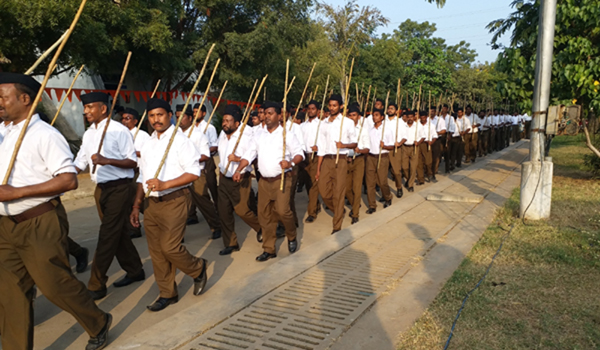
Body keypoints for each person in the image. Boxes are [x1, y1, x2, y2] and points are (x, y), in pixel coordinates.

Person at [0, 73, 111, 350]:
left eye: (3, 96)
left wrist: (18, 192)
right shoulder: (2, 133)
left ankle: (97, 321)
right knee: (10, 293)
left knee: (54, 285)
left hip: (39, 220)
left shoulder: (45, 135)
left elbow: (68, 180)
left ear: (25, 99)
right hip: (4, 225)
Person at [130, 98, 208, 312]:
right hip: (151, 203)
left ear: (169, 115)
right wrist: (137, 205)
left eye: (160, 114)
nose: (156, 119)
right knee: (156, 251)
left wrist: (165, 183)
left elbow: (193, 173)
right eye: (152, 116)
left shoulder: (181, 141)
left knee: (170, 247)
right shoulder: (147, 143)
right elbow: (141, 177)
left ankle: (198, 268)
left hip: (175, 200)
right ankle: (167, 293)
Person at [74, 92, 145, 301]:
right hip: (100, 189)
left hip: (120, 188)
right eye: (85, 108)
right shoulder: (88, 134)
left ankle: (97, 283)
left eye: (90, 107)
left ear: (103, 109)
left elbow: (132, 162)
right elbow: (80, 160)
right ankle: (135, 270)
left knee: (107, 235)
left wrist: (107, 161)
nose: (86, 111)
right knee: (118, 232)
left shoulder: (119, 131)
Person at [233, 101, 304, 261]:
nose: (267, 116)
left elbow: (299, 154)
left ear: (280, 116)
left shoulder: (287, 134)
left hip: (282, 179)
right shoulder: (258, 135)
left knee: (283, 211)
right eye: (265, 113)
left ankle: (291, 235)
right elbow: (249, 155)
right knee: (264, 215)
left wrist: (290, 163)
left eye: (271, 113)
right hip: (264, 181)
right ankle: (269, 249)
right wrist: (239, 169)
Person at [217, 104, 262, 254]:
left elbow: (253, 155)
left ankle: (261, 228)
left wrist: (237, 158)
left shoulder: (247, 134)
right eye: (224, 120)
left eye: (228, 121)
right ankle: (231, 243)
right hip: (224, 178)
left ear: (237, 123)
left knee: (242, 210)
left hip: (240, 178)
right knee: (224, 212)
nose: (225, 123)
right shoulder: (222, 134)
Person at [176, 105, 221, 239]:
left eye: (182, 117)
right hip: (179, 174)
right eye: (177, 117)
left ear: (190, 118)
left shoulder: (198, 135)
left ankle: (216, 226)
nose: (179, 120)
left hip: (196, 173)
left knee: (203, 201)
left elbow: (206, 155)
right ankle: (178, 235)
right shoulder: (175, 134)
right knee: (179, 205)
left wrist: (189, 158)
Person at [316, 94, 357, 234]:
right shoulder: (324, 123)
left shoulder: (347, 122)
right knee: (324, 192)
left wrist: (343, 144)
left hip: (341, 159)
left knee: (338, 192)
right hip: (326, 159)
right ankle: (339, 210)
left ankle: (337, 225)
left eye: (335, 105)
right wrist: (318, 169)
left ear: (340, 106)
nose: (332, 108)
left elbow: (354, 143)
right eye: (330, 105)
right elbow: (321, 146)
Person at [120, 107, 148, 239]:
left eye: (128, 118)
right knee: (126, 202)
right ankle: (134, 228)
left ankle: (156, 221)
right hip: (124, 172)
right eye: (123, 118)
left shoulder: (142, 135)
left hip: (138, 171)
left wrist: (132, 152)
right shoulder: (119, 134)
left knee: (139, 201)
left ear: (135, 121)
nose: (124, 121)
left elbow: (149, 153)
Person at [191, 103, 220, 222]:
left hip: (206, 160)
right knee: (193, 189)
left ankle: (219, 209)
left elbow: (215, 146)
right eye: (193, 112)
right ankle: (192, 214)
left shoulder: (209, 127)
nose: (195, 114)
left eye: (197, 112)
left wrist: (202, 152)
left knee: (211, 185)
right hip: (192, 163)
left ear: (203, 113)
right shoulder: (191, 128)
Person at [345, 105, 370, 224]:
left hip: (358, 160)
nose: (351, 117)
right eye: (349, 115)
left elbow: (367, 148)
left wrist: (360, 150)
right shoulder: (343, 130)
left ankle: (355, 213)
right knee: (346, 188)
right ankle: (356, 203)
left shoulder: (363, 131)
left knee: (357, 187)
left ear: (359, 117)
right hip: (346, 160)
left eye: (354, 115)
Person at [365, 108, 393, 213]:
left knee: (382, 181)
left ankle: (388, 197)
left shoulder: (387, 130)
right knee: (370, 182)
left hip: (383, 156)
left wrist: (384, 145)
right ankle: (372, 205)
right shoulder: (370, 130)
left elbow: (392, 147)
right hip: (371, 157)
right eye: (373, 115)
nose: (374, 117)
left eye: (376, 115)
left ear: (382, 117)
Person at [299, 100, 323, 223]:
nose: (310, 111)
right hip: (304, 157)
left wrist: (318, 147)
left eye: (313, 109)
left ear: (318, 111)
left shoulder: (321, 125)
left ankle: (312, 212)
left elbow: (325, 142)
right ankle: (316, 203)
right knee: (308, 183)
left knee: (314, 184)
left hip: (315, 156)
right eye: (309, 109)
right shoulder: (302, 126)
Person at [386, 103, 404, 198]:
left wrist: (399, 143)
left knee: (396, 171)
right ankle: (385, 192)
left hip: (395, 148)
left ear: (396, 111)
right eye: (389, 108)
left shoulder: (400, 122)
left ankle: (399, 187)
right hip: (384, 148)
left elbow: (405, 136)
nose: (390, 110)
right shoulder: (383, 120)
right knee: (382, 172)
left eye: (392, 109)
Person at [399, 110, 419, 191]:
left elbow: (423, 136)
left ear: (414, 117)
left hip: (414, 147)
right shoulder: (402, 126)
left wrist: (418, 142)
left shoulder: (418, 126)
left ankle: (411, 185)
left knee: (413, 167)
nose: (410, 118)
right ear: (406, 118)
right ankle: (408, 178)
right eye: (408, 117)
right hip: (404, 147)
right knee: (404, 167)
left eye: (411, 117)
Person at [417, 110, 438, 184]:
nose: (422, 118)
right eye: (421, 117)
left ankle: (430, 174)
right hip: (418, 144)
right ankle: (421, 179)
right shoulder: (416, 125)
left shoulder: (431, 126)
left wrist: (432, 142)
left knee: (428, 162)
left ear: (426, 117)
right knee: (419, 163)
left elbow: (435, 136)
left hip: (427, 144)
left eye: (424, 117)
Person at [430, 106, 446, 175]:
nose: (431, 112)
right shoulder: (427, 119)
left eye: (432, 111)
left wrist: (436, 133)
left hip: (437, 140)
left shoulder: (440, 120)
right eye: (430, 111)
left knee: (436, 156)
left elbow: (443, 130)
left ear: (435, 112)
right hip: (428, 140)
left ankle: (435, 170)